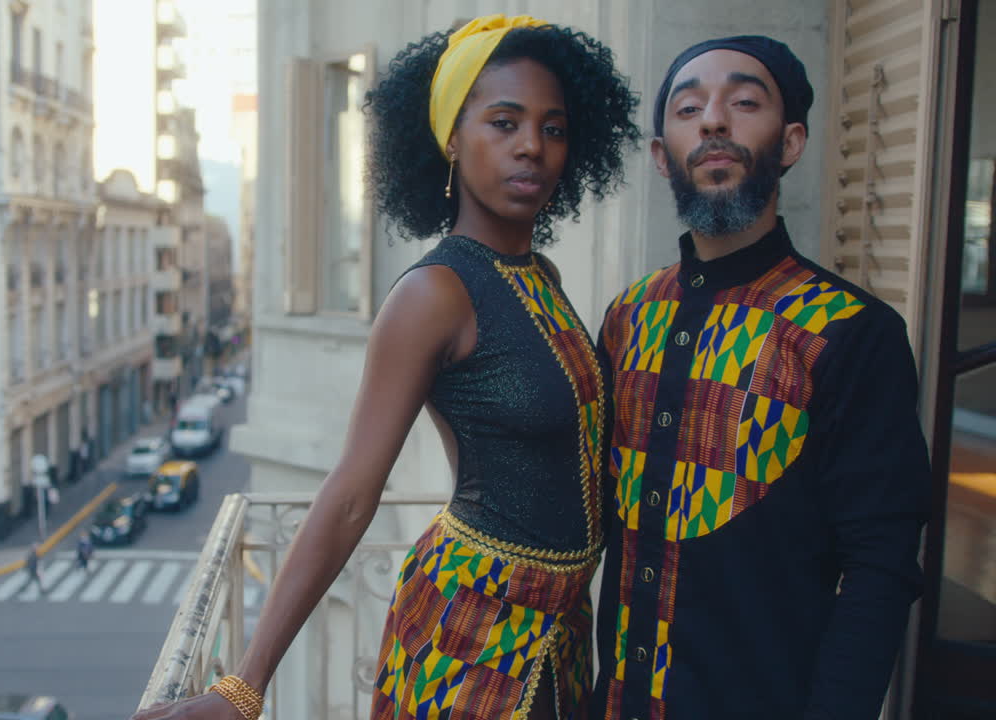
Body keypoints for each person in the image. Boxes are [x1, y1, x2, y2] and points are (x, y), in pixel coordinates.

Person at [131, 13, 638, 720]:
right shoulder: (433, 293)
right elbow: (348, 493)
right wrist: (243, 688)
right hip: (469, 631)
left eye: (553, 128)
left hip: (559, 632)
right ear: (452, 140)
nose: (532, 146)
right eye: (504, 122)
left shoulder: (539, 276)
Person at [589, 36, 930, 720]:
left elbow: (880, 570)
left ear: (791, 141)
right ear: (662, 156)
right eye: (689, 109)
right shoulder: (628, 316)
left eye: (745, 102)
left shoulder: (850, 331)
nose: (715, 121)